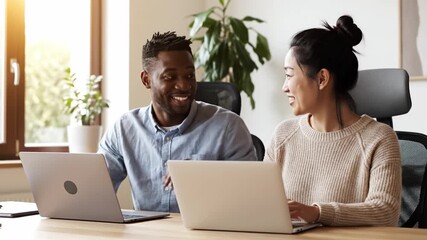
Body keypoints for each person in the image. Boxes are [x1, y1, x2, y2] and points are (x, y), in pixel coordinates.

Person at [264, 15, 401, 226]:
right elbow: (261, 204)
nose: (284, 87)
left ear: (322, 79)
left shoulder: (379, 138)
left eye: (289, 75)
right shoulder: (283, 136)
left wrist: (317, 213)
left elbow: (385, 211)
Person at [98, 31, 257, 213]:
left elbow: (250, 198)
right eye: (170, 77)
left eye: (189, 76)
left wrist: (208, 176)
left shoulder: (229, 126)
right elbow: (95, 190)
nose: (183, 85)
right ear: (146, 79)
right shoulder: (124, 129)